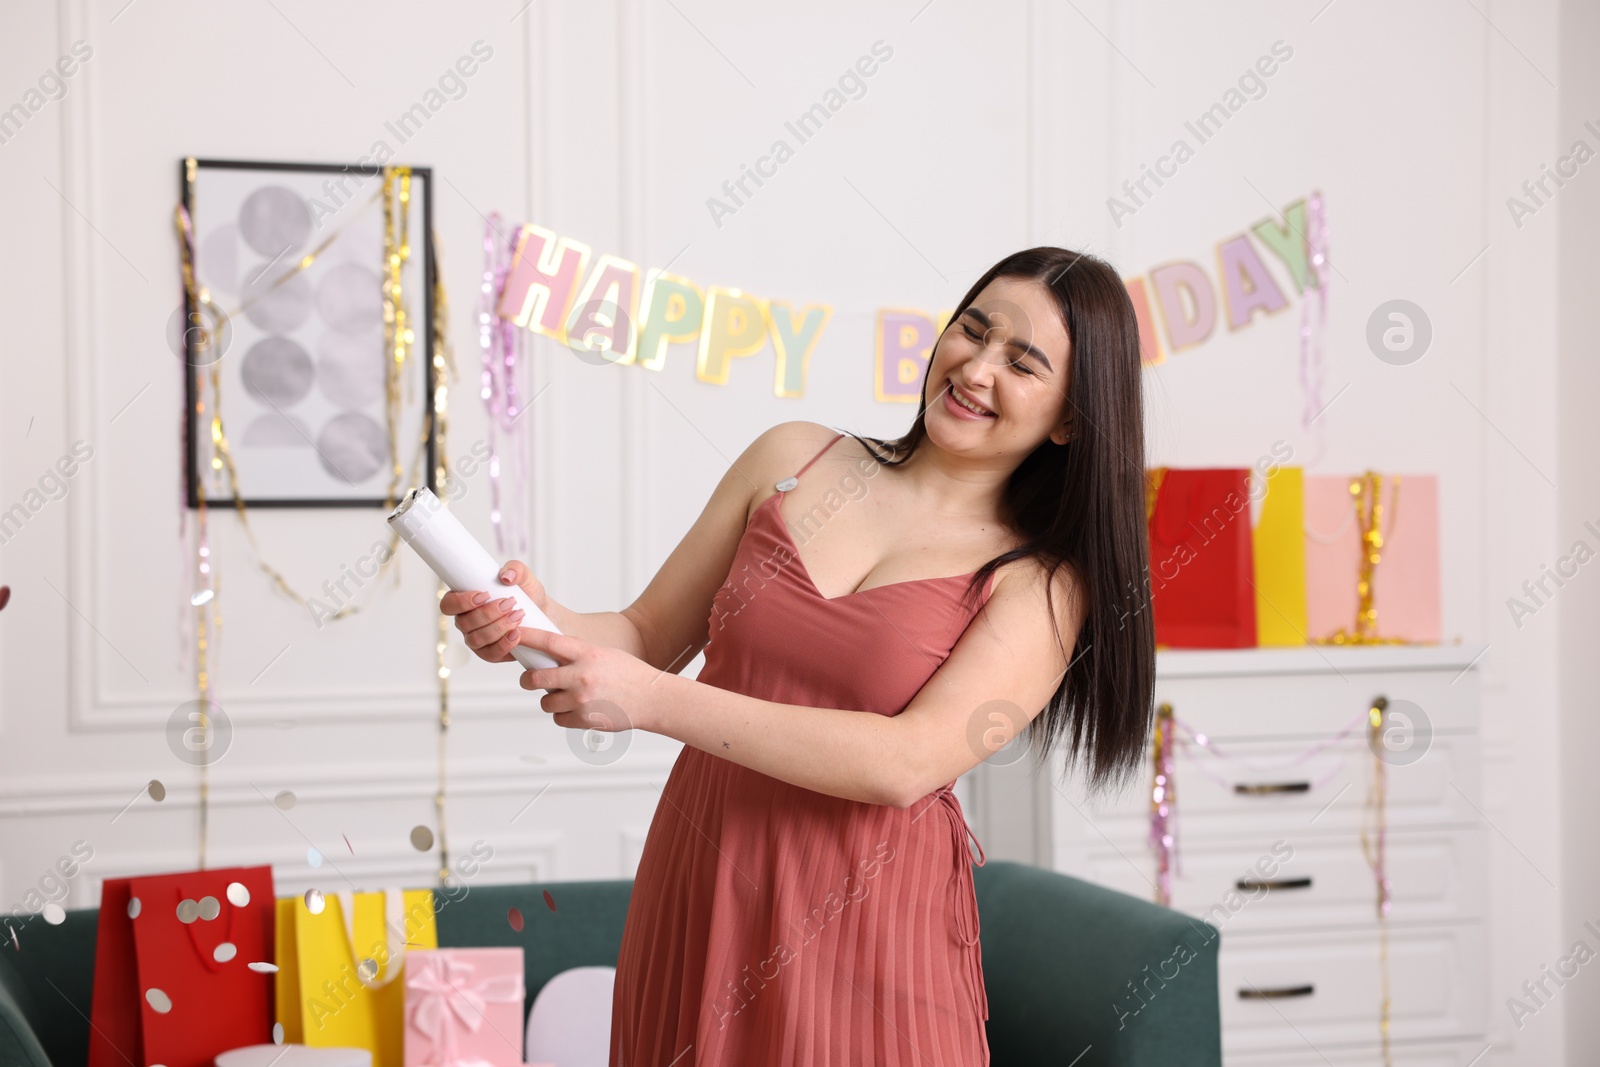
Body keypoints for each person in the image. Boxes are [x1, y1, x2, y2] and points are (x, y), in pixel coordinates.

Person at [440, 245, 1156, 1066]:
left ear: (1070, 417)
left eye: (1022, 362)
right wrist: (532, 618)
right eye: (973, 329)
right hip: (702, 882)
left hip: (872, 926)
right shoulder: (793, 459)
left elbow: (904, 762)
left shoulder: (1043, 584)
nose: (977, 366)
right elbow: (643, 635)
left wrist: (650, 701)